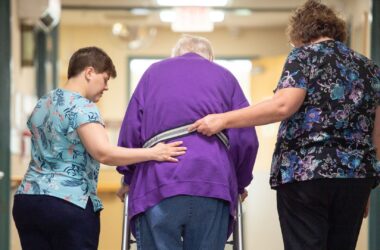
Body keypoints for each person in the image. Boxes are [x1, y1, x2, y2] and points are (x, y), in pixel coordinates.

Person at [190, 1, 380, 249]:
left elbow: (282, 106)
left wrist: (223, 119)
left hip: (306, 173)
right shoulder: (369, 67)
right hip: (356, 178)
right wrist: (367, 182)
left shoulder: (303, 56)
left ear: (300, 33)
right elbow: (376, 131)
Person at [12, 46, 187, 250]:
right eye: (105, 79)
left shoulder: (44, 102)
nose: (106, 88)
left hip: (28, 200)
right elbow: (103, 152)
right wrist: (154, 153)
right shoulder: (83, 106)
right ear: (89, 72)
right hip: (68, 202)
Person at [116, 35, 258, 250]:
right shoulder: (225, 77)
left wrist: (128, 178)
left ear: (174, 56)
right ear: (210, 58)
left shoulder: (153, 73)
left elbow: (130, 132)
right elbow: (246, 139)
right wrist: (239, 183)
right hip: (213, 182)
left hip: (158, 181)